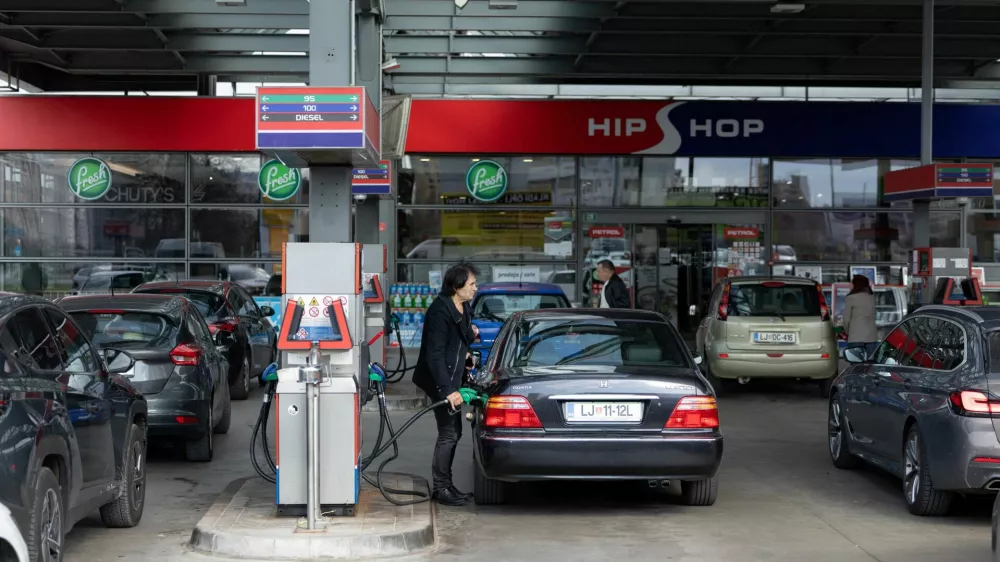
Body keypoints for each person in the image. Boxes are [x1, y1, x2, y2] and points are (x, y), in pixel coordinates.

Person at [411, 262, 481, 506]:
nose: (475, 288)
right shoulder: (439, 312)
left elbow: (461, 339)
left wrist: (468, 351)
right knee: (449, 432)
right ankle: (441, 488)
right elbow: (435, 355)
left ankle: (446, 485)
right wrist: (447, 390)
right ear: (456, 286)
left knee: (455, 431)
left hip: (452, 377)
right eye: (471, 284)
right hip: (439, 380)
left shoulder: (464, 306)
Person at [842, 274, 878, 355]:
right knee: (869, 362)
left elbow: (846, 320)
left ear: (856, 284)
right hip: (871, 337)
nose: (849, 285)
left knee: (856, 362)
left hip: (855, 337)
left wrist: (847, 333)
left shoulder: (851, 298)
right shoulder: (872, 297)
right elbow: (874, 316)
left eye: (851, 283)